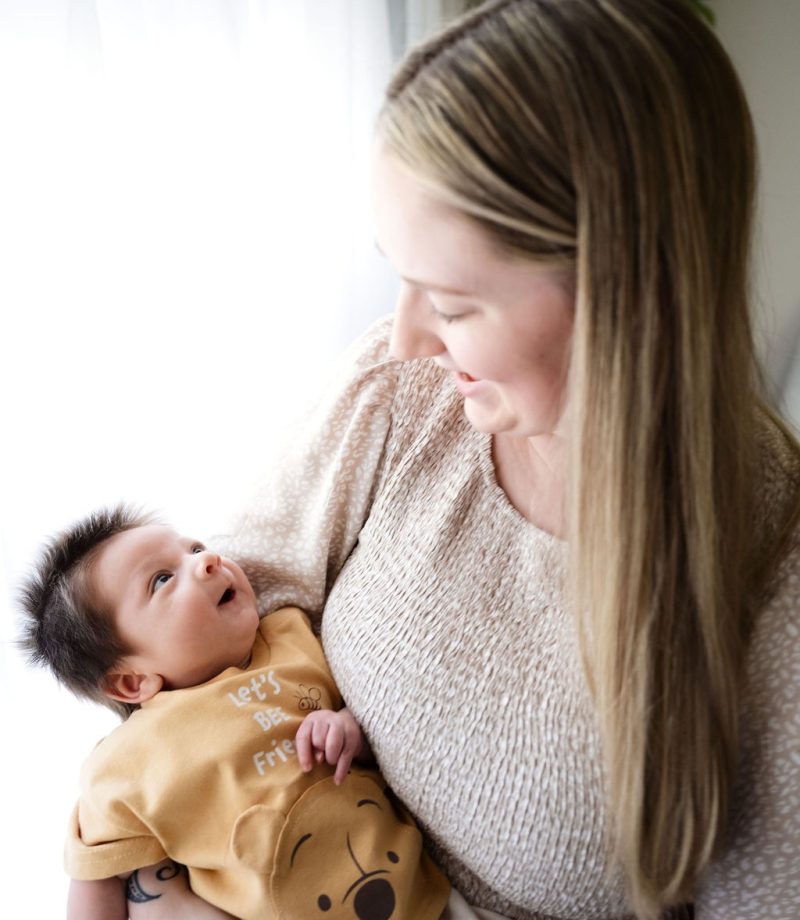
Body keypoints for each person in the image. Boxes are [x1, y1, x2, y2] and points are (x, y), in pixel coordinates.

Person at [217, 1, 800, 919]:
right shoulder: (409, 391)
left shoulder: (772, 587)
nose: (405, 337)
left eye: (450, 302)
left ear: (623, 293)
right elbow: (201, 628)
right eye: (400, 275)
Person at [19, 506, 503, 920]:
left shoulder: (292, 638)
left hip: (427, 899)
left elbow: (385, 722)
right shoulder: (127, 763)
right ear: (131, 681)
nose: (207, 561)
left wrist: (349, 728)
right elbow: (95, 876)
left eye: (194, 549)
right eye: (162, 579)